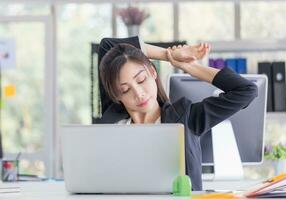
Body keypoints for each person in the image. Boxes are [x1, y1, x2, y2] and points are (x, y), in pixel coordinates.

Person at [97, 36, 258, 191]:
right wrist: (169, 54)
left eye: (141, 80)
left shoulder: (185, 118)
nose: (139, 94)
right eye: (125, 90)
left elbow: (246, 91)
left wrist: (188, 66)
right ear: (116, 96)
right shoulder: (113, 121)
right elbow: (107, 46)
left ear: (153, 72)